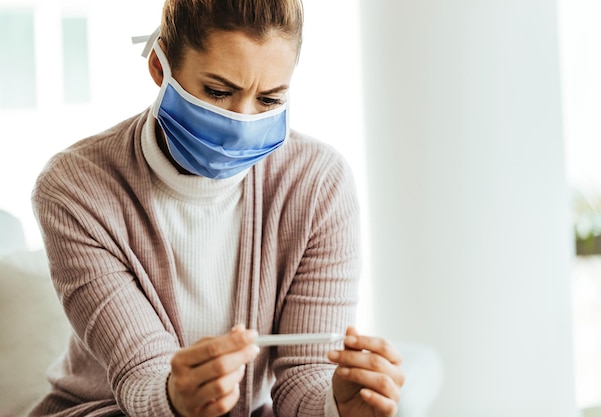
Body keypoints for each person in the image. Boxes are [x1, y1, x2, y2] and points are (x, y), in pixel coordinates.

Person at [29, 1, 404, 416]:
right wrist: (176, 396)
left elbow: (304, 376)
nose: (242, 123)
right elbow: (141, 375)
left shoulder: (318, 185)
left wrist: (338, 404)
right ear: (159, 66)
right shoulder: (75, 188)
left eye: (268, 99)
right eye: (219, 92)